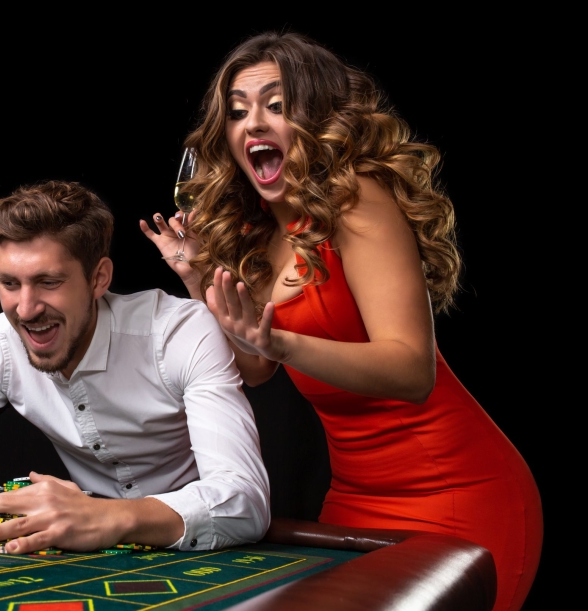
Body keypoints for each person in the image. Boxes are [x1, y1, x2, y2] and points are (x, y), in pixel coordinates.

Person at [141, 32, 541, 611]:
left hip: (458, 491)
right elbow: (255, 367)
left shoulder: (357, 201)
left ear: (317, 119)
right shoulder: (256, 233)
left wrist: (278, 339)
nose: (253, 123)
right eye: (237, 111)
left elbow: (411, 370)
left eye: (276, 106)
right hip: (355, 497)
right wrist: (199, 274)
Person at [0, 180, 270, 553]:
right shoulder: (2, 344)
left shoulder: (179, 332)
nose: (25, 309)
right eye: (10, 283)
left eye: (49, 282)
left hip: (201, 552)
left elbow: (244, 501)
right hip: (83, 549)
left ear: (99, 278)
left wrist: (108, 517)